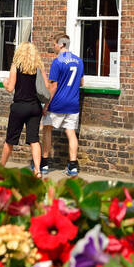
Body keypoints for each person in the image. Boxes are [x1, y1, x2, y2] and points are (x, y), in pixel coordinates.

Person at [1, 42, 51, 172]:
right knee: (34, 140)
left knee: (10, 140)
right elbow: (47, 88)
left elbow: (11, 88)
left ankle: (0, 168)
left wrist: (5, 83)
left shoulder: (16, 66)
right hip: (35, 107)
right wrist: (45, 107)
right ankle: (38, 171)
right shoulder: (39, 68)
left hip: (19, 107)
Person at [45, 34, 83, 177]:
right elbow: (81, 83)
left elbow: (53, 86)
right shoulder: (79, 61)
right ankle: (73, 166)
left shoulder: (57, 62)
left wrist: (46, 104)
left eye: (54, 44)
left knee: (47, 129)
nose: (53, 47)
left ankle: (44, 163)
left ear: (61, 45)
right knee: (71, 132)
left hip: (58, 103)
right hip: (73, 103)